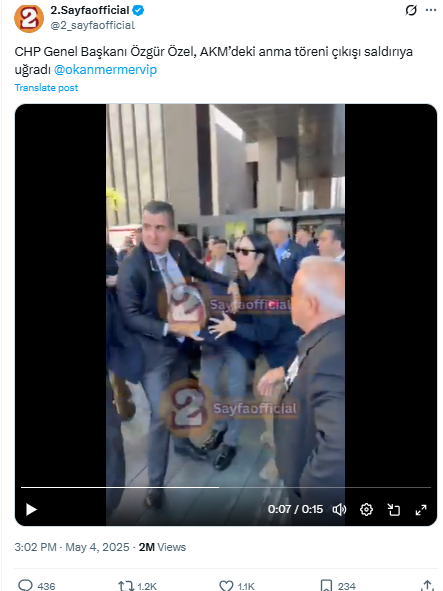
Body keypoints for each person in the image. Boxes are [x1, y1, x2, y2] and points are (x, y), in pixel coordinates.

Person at [117, 201, 240, 510]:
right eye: (147, 227)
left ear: (171, 230)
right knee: (161, 415)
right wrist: (169, 328)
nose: (152, 235)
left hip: (182, 345)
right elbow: (130, 316)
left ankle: (183, 446)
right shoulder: (132, 266)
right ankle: (155, 484)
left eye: (160, 228)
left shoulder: (177, 250)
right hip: (153, 351)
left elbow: (201, 271)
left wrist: (231, 281)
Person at [258, 256, 345, 523]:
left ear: (311, 304)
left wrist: (309, 495)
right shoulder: (330, 335)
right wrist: (284, 370)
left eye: (294, 294)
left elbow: (340, 445)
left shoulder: (332, 357)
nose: (289, 301)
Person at [208, 233, 303, 468]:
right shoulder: (246, 277)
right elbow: (236, 284)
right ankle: (274, 442)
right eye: (236, 249)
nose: (237, 254)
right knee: (264, 399)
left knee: (271, 406)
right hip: (268, 352)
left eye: (244, 251)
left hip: (285, 353)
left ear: (260, 257)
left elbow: (267, 332)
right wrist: (233, 285)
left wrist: (233, 326)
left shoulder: (269, 287)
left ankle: (280, 462)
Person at [267, 218, 304, 288]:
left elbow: (301, 277)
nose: (268, 236)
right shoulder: (269, 250)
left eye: (270, 232)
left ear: (281, 232)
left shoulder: (297, 250)